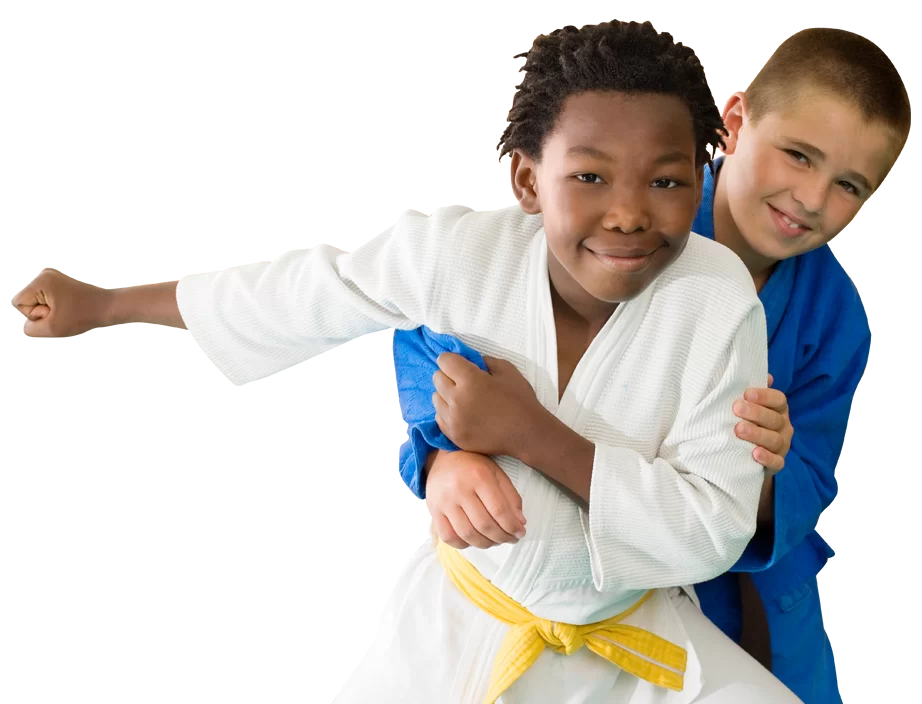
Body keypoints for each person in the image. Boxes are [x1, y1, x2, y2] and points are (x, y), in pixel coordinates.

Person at [16, 22, 801, 703]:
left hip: (635, 636)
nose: (629, 212)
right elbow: (308, 289)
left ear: (702, 171)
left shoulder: (717, 299)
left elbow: (712, 531)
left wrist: (531, 435)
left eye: (666, 181)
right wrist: (108, 304)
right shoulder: (463, 257)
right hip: (463, 625)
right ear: (528, 180)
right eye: (588, 176)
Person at [395, 27, 909, 704]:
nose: (813, 198)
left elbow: (810, 482)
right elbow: (435, 336)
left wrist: (757, 470)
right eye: (797, 155)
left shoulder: (833, 318)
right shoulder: (618, 224)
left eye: (849, 184)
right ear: (733, 119)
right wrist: (442, 460)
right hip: (574, 579)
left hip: (745, 600)